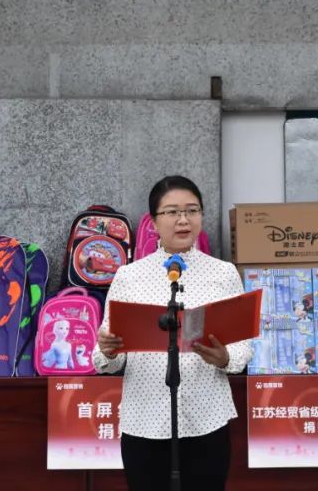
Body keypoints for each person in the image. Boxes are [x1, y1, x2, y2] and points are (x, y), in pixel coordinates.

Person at [94, 176, 251, 491]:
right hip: (144, 420)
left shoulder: (223, 273)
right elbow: (105, 359)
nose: (183, 220)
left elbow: (243, 347)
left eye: (192, 210)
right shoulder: (129, 276)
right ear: (154, 222)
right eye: (172, 212)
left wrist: (225, 357)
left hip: (206, 418)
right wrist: (109, 349)